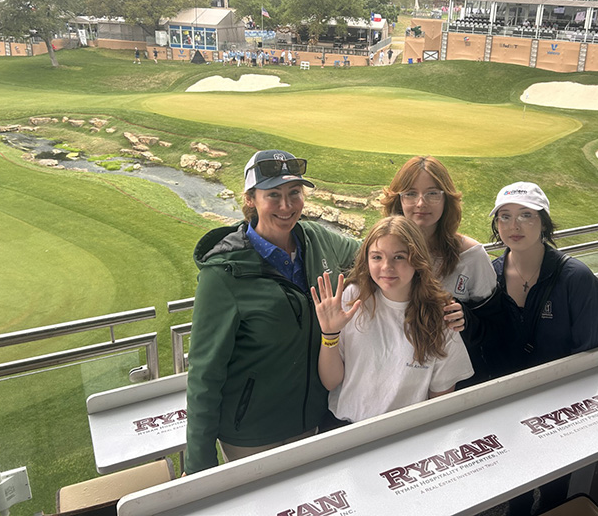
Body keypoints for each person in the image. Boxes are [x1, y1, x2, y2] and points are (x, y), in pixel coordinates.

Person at [183, 149, 360, 474]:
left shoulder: (318, 239)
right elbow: (204, 376)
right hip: (252, 437)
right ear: (251, 199)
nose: (286, 205)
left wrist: (447, 254)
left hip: (312, 423)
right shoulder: (223, 275)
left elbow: (380, 255)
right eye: (273, 195)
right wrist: (198, 466)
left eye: (294, 193)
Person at [475, 182, 598, 515]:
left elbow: (594, 352)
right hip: (508, 402)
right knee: (516, 484)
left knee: (554, 487)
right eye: (504, 217)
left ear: (544, 223)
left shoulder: (576, 279)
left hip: (560, 406)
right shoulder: (489, 276)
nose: (514, 226)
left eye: (525, 215)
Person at [312, 216, 473, 425]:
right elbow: (330, 381)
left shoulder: (441, 315)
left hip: (405, 434)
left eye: (399, 257)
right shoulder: (352, 298)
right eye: (377, 257)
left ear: (418, 260)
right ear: (366, 259)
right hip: (345, 427)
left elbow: (440, 399)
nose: (386, 266)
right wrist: (329, 334)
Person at [381, 157, 497, 365]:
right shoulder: (381, 253)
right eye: (410, 193)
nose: (420, 203)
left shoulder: (472, 256)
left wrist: (466, 319)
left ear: (446, 199)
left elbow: (496, 326)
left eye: (432, 193)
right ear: (398, 200)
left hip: (453, 379)